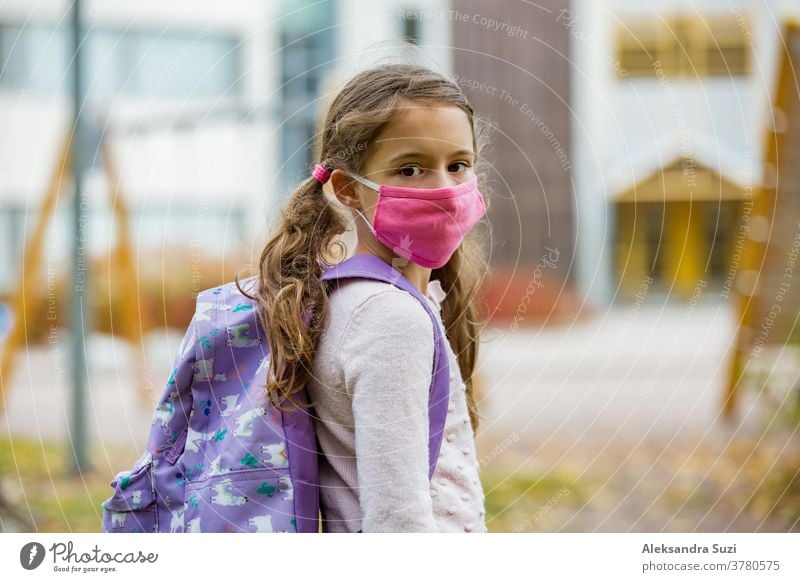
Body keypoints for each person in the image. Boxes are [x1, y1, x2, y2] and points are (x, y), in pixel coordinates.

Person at [244, 62, 491, 532]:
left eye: (458, 165)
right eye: (411, 169)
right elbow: (397, 525)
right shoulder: (389, 318)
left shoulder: (346, 296)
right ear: (347, 188)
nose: (443, 188)